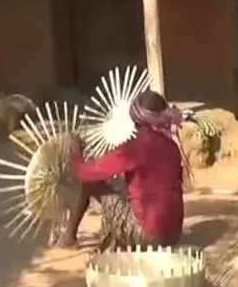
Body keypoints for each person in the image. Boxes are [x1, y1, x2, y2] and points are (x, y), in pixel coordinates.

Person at [57, 90, 187, 249]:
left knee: (90, 183)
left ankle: (68, 237)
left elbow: (85, 174)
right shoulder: (172, 146)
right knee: (122, 184)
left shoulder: (136, 147)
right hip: (173, 235)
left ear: (136, 118)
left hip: (148, 237)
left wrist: (74, 153)